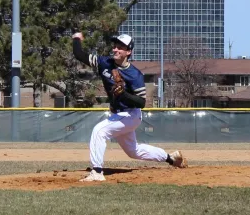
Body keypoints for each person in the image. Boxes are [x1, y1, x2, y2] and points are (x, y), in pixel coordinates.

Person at [72, 32, 188, 182]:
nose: (115, 49)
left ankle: (97, 172)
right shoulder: (104, 62)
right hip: (117, 115)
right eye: (115, 46)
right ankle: (171, 158)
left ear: (128, 52)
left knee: (99, 131)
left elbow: (141, 103)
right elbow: (79, 54)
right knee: (134, 151)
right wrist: (76, 38)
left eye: (120, 47)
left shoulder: (134, 75)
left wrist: (123, 94)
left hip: (131, 115)